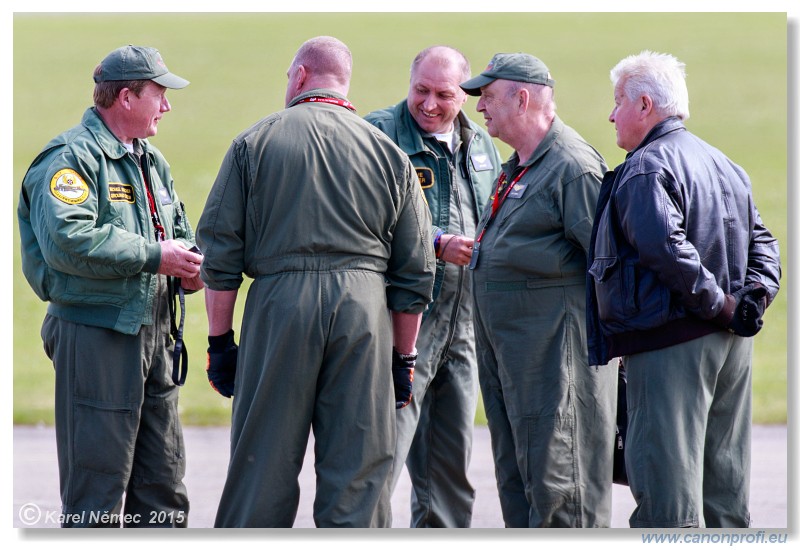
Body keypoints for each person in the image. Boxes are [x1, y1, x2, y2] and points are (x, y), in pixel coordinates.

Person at [196, 36, 435, 528]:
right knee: (360, 472)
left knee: (261, 462)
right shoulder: (389, 154)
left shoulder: (254, 143)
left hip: (280, 306)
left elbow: (220, 257)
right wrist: (403, 359)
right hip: (364, 312)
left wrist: (220, 344)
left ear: (300, 76)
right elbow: (415, 272)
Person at [587, 50, 781, 528]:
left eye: (617, 102)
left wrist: (719, 305)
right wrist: (748, 304)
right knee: (725, 492)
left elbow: (665, 249)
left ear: (646, 105)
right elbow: (766, 245)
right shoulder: (725, 163)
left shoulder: (646, 166)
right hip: (732, 348)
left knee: (666, 497)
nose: (611, 114)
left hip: (671, 346)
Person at [17, 45, 201, 527]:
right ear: (125, 97)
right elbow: (68, 241)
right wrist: (157, 257)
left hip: (154, 337)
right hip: (96, 338)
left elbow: (175, 230)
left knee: (163, 490)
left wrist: (190, 266)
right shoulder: (70, 158)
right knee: (95, 494)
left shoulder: (151, 161)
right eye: (159, 94)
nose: (167, 106)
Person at [461, 52, 617, 527]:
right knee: (521, 486)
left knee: (560, 491)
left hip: (556, 369)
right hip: (517, 365)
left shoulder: (571, 166)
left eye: (487, 97)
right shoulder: (521, 166)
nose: (480, 108)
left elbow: (608, 265)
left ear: (522, 98)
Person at [364, 45, 501, 528]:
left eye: (443, 95)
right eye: (420, 90)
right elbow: (361, 224)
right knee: (380, 455)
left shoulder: (481, 144)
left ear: (464, 95)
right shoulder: (377, 135)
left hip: (463, 328)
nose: (428, 104)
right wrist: (435, 242)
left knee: (449, 466)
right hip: (401, 325)